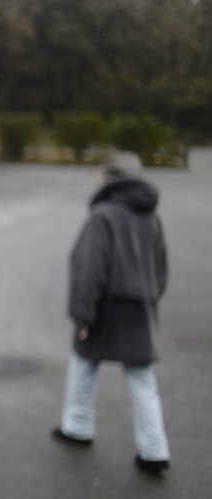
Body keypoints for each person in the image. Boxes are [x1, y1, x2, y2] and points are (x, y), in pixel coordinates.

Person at [52, 152, 170, 476]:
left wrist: (83, 315)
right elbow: (160, 270)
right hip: (140, 307)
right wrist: (149, 297)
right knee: (142, 380)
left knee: (83, 365)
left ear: (109, 178)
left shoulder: (102, 215)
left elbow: (89, 270)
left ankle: (77, 427)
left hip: (106, 306)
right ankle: (154, 450)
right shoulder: (152, 217)